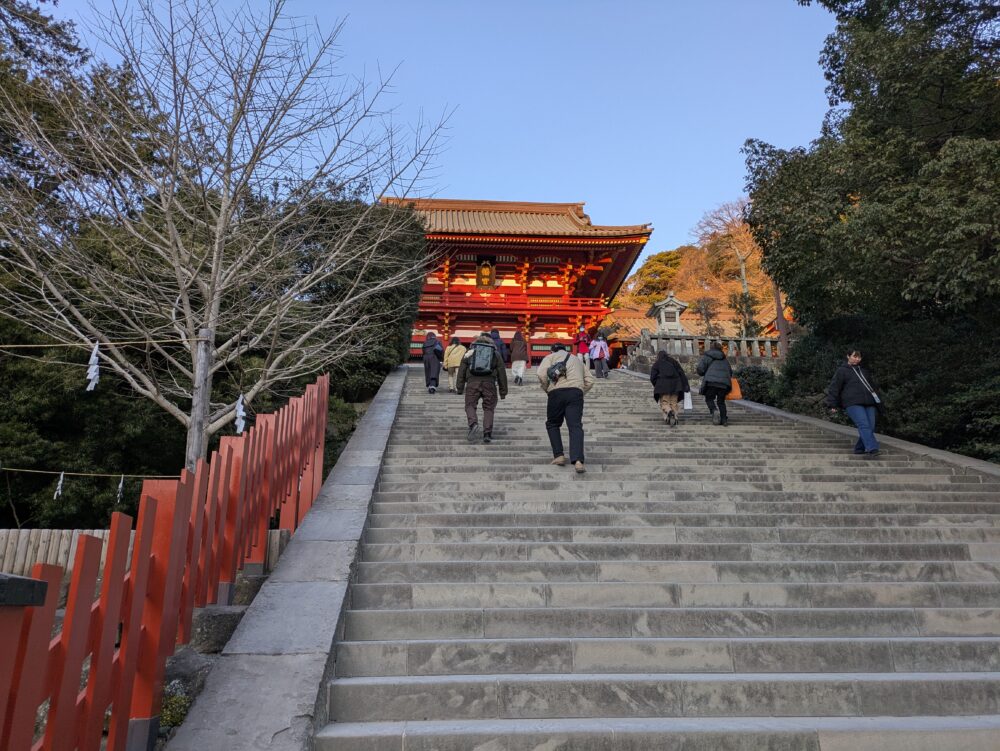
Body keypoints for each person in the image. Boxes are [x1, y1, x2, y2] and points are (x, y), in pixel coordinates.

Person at [537, 342, 594, 473]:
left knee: (553, 423)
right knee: (575, 426)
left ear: (552, 350)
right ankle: (578, 461)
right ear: (565, 349)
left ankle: (559, 455)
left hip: (556, 393)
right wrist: (580, 391)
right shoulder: (577, 359)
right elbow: (590, 380)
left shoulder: (550, 357)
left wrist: (548, 388)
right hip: (575, 393)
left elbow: (541, 374)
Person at [826, 348, 882, 457]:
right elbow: (834, 387)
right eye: (854, 356)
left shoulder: (864, 371)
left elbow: (873, 387)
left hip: (869, 402)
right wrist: (832, 403)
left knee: (870, 427)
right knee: (864, 425)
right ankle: (872, 448)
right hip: (853, 403)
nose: (857, 359)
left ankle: (859, 448)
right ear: (848, 356)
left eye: (859, 357)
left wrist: (878, 402)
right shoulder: (842, 371)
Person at [457, 333, 508, 443]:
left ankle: (473, 424)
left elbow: (462, 370)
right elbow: (501, 372)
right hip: (489, 383)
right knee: (489, 408)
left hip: (472, 383)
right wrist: (503, 391)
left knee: (470, 405)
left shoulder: (470, 352)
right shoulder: (495, 353)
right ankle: (487, 433)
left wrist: (460, 387)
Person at [696, 341, 732, 425]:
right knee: (721, 401)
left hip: (711, 382)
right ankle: (724, 420)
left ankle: (714, 411)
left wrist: (703, 373)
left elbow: (700, 369)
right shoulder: (724, 358)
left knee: (709, 398)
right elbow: (730, 372)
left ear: (711, 348)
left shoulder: (707, 356)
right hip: (724, 383)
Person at [650, 350, 689, 426]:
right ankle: (674, 417)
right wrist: (685, 385)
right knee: (674, 402)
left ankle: (669, 411)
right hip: (676, 385)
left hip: (663, 386)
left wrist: (657, 385)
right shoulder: (674, 362)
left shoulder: (657, 364)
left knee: (665, 402)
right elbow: (681, 373)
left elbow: (653, 377)